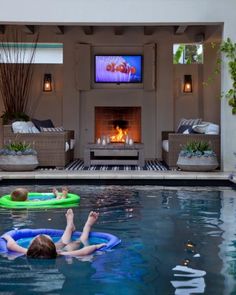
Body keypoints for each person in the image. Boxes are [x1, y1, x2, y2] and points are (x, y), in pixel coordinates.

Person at [2, 209, 106, 258]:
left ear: (30, 246)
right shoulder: (60, 253)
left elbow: (11, 245)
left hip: (55, 248)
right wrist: (97, 246)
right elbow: (84, 251)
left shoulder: (28, 252)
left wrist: (8, 237)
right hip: (63, 250)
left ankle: (69, 226)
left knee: (61, 242)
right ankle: (87, 226)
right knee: (79, 241)